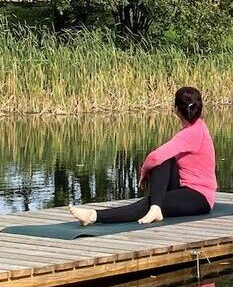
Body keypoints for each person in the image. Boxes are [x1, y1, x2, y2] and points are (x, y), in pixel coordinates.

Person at [68, 86, 217, 226]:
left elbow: (154, 157)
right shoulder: (196, 128)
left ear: (176, 109)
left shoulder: (193, 132)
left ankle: (93, 216)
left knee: (148, 201)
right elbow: (159, 157)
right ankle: (156, 207)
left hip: (199, 197)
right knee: (163, 161)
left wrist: (144, 172)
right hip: (182, 189)